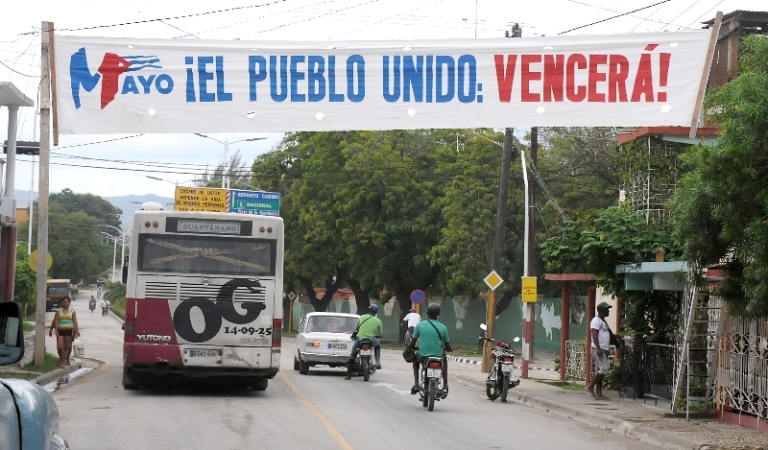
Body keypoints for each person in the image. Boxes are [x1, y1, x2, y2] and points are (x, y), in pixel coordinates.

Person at [408, 302, 452, 398]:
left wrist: (411, 347)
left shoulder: (420, 325)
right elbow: (447, 345)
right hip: (438, 356)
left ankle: (416, 383)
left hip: (423, 357)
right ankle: (445, 385)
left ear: (427, 313)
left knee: (415, 361)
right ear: (438, 314)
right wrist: (449, 349)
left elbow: (413, 340)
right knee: (444, 361)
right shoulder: (443, 327)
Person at [585, 301, 618, 400]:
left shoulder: (603, 321)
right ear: (602, 311)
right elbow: (594, 335)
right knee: (604, 369)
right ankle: (589, 387)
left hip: (604, 349)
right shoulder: (596, 321)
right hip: (598, 349)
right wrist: (598, 348)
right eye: (607, 309)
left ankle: (599, 393)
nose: (608, 311)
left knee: (600, 371)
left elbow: (606, 334)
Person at [345, 304, 383, 380]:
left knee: (352, 356)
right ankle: (378, 361)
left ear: (369, 310)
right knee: (378, 346)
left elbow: (357, 328)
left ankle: (349, 375)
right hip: (371, 339)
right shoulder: (378, 321)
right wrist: (378, 335)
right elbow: (380, 333)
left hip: (360, 339)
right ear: (376, 312)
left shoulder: (362, 317)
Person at [48, 297, 79, 368]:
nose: (65, 303)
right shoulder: (58, 312)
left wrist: (77, 331)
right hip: (60, 330)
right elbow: (55, 321)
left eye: (67, 302)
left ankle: (62, 362)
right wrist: (55, 331)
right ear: (61, 303)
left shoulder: (72, 312)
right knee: (59, 347)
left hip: (69, 330)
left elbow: (75, 322)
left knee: (66, 347)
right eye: (64, 302)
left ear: (69, 303)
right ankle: (61, 358)